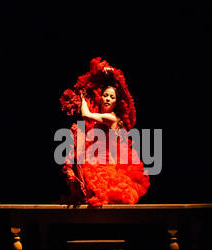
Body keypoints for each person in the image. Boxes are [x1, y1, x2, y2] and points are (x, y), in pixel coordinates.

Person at [59, 57, 150, 206]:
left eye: (112, 97)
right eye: (105, 95)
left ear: (115, 102)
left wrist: (82, 98)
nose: (107, 99)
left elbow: (86, 114)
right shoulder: (100, 115)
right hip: (97, 160)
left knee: (98, 193)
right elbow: (91, 87)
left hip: (107, 164)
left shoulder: (111, 117)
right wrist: (106, 75)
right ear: (100, 97)